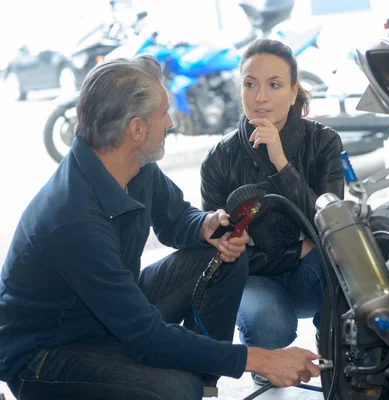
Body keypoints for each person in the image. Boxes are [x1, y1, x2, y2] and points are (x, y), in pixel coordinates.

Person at [0, 55, 321, 400]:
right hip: (46, 354)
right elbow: (144, 337)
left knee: (225, 258)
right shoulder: (73, 220)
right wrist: (262, 360)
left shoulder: (134, 166)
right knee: (176, 389)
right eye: (163, 114)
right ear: (136, 129)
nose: (170, 123)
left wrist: (206, 226)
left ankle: (204, 386)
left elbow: (177, 220)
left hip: (109, 316)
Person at [201, 39, 344, 386]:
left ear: (294, 92)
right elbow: (217, 253)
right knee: (268, 326)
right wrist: (297, 250)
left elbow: (330, 228)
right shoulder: (219, 158)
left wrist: (281, 163)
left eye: (274, 85)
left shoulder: (324, 143)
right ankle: (266, 362)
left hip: (307, 276)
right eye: (250, 84)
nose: (260, 97)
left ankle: (338, 357)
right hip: (253, 278)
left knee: (338, 264)